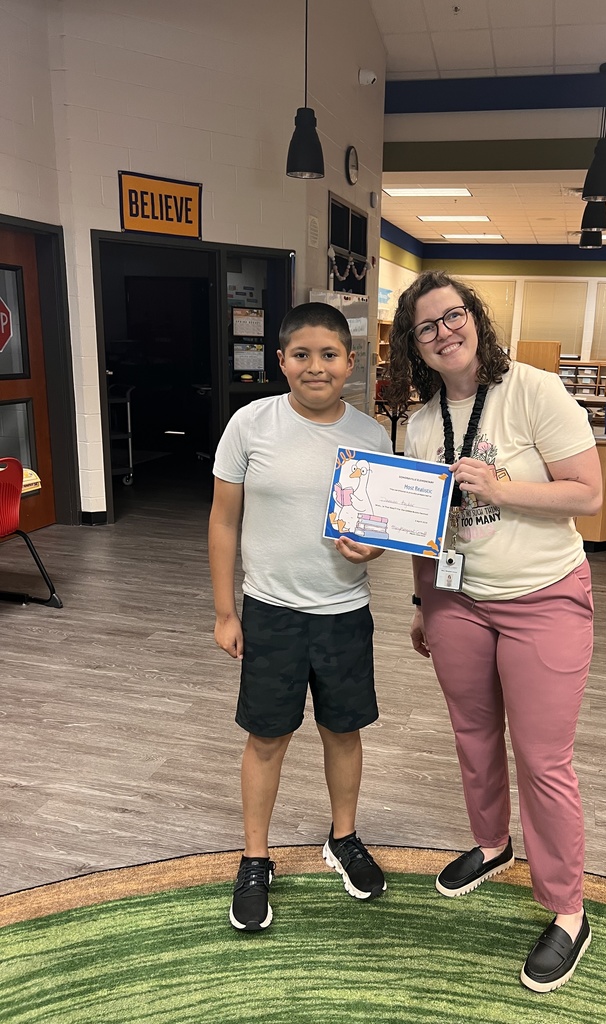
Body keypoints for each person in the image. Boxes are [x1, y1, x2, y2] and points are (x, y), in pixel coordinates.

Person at [387, 270, 603, 993]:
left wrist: (501, 487)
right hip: (456, 601)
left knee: (542, 759)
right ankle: (491, 844)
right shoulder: (418, 425)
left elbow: (590, 495)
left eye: (454, 316)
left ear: (475, 319)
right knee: (472, 735)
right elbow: (425, 528)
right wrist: (423, 602)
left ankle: (568, 912)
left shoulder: (534, 392)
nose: (445, 332)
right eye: (427, 326)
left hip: (544, 596)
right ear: (413, 346)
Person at [209, 302, 392, 932]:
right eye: (302, 354)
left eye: (330, 355)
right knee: (267, 736)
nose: (317, 367)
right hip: (271, 612)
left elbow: (383, 528)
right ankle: (254, 857)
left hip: (345, 612)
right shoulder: (249, 425)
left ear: (350, 361)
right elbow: (222, 520)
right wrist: (224, 610)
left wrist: (377, 544)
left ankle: (343, 838)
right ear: (281, 360)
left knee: (344, 731)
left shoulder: (372, 436)